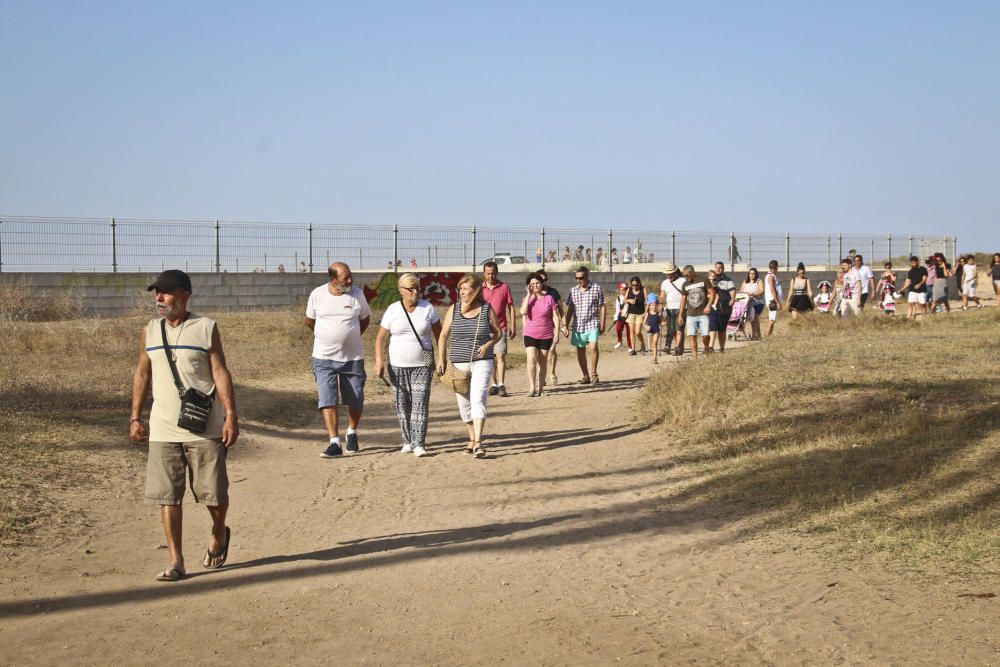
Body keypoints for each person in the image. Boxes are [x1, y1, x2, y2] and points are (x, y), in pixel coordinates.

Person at [130, 270, 239, 582]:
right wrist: (135, 416)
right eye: (156, 293)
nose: (159, 299)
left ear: (186, 295)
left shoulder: (205, 328)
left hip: (204, 427)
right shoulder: (150, 331)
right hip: (163, 428)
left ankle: (219, 532)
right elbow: (142, 374)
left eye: (165, 292)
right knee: (168, 495)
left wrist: (230, 414)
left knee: (214, 494)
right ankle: (176, 559)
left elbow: (220, 372)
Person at [305, 262, 371, 458]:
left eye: (350, 276)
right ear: (333, 280)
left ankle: (352, 432)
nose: (349, 281)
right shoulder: (317, 295)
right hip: (323, 358)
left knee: (356, 399)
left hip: (352, 358)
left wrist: (350, 337)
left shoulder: (357, 294)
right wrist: (327, 336)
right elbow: (310, 320)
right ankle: (334, 442)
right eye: (345, 278)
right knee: (328, 398)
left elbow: (365, 319)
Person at [374, 273, 442, 458]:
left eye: (418, 288)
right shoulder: (393, 310)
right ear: (401, 291)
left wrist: (442, 357)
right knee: (402, 404)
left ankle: (419, 443)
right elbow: (381, 337)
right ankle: (407, 441)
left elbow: (440, 334)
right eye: (411, 289)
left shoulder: (427, 308)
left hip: (424, 362)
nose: (415, 292)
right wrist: (379, 360)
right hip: (396, 364)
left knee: (420, 403)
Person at [437, 274, 502, 458]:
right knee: (464, 406)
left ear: (475, 290)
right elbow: (443, 336)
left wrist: (488, 344)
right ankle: (472, 438)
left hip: (482, 361)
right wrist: (441, 359)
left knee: (478, 399)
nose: (462, 292)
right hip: (458, 363)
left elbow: (498, 333)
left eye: (465, 288)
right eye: (460, 289)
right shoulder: (454, 309)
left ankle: (479, 442)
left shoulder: (486, 309)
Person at [561, 266, 606, 384]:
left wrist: (603, 323)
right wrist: (565, 325)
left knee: (593, 347)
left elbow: (602, 306)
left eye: (581, 278)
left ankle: (594, 374)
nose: (579, 280)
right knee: (580, 350)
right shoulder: (573, 291)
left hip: (593, 323)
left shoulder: (596, 288)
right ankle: (585, 375)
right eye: (576, 278)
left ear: (587, 276)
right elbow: (570, 309)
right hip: (578, 325)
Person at [519, 272, 561, 396]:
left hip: (546, 334)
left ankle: (540, 388)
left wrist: (557, 333)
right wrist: (528, 295)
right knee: (531, 360)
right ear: (528, 286)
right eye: (532, 284)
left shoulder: (549, 298)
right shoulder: (527, 299)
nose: (535, 285)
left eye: (537, 283)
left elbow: (555, 317)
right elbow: (523, 312)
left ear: (542, 284)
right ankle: (532, 388)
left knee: (542, 362)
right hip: (530, 333)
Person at [482, 261, 516, 397]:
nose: (491, 276)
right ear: (484, 274)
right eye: (488, 273)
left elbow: (511, 307)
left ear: (497, 272)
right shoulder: (480, 289)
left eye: (493, 273)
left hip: (500, 328)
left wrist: (513, 325)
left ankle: (501, 384)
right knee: (489, 358)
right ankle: (494, 385)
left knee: (500, 355)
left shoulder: (504, 287)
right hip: (484, 329)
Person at [678, 265, 714, 358]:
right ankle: (695, 356)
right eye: (684, 276)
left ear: (692, 273)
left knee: (705, 334)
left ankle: (706, 347)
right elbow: (683, 299)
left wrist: (709, 306)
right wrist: (681, 315)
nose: (685, 277)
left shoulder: (704, 280)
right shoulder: (685, 284)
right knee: (692, 335)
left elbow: (712, 293)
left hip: (703, 313)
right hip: (690, 314)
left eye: (687, 275)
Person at [536, 269, 564, 385]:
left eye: (544, 280)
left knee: (551, 350)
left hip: (552, 326)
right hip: (538, 327)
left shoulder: (553, 292)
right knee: (539, 353)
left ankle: (552, 372)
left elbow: (561, 309)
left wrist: (565, 325)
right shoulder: (533, 293)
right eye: (540, 280)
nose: (543, 282)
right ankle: (541, 375)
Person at [659, 263, 686, 355]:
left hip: (681, 308)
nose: (669, 275)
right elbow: (662, 295)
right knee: (672, 330)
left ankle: (678, 348)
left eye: (670, 273)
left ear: (675, 272)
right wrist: (661, 305)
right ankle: (679, 346)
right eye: (667, 273)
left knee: (679, 329)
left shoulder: (683, 281)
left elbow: (685, 295)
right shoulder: (664, 283)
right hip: (669, 309)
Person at [712, 261, 736, 352]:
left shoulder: (728, 280)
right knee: (712, 328)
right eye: (717, 267)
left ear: (723, 269)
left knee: (721, 330)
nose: (718, 269)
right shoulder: (710, 279)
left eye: (720, 267)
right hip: (712, 307)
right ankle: (710, 348)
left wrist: (732, 299)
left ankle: (721, 348)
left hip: (723, 307)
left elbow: (732, 290)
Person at [624, 276, 648, 355]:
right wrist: (629, 300)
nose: (634, 287)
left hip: (640, 314)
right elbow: (624, 300)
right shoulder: (629, 289)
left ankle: (643, 344)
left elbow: (647, 302)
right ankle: (633, 349)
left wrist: (646, 312)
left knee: (637, 332)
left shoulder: (643, 289)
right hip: (631, 313)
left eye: (636, 285)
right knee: (631, 332)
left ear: (639, 284)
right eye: (633, 285)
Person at [739, 268, 764, 340]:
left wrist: (754, 294)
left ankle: (754, 335)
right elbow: (741, 291)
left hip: (757, 303)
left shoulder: (759, 281)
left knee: (754, 319)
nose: (752, 275)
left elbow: (762, 291)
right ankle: (758, 335)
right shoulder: (745, 282)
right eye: (750, 273)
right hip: (747, 303)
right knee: (752, 320)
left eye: (753, 273)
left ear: (756, 274)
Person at [763, 260, 783, 335]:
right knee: (772, 320)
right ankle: (767, 336)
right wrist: (777, 302)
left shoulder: (771, 275)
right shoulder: (771, 277)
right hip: (772, 301)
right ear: (777, 267)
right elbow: (772, 290)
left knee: (773, 319)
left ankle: (769, 336)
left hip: (773, 300)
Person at [613, 282, 632, 351]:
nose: (622, 291)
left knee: (629, 332)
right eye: (621, 290)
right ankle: (619, 341)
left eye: (624, 290)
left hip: (629, 317)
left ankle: (630, 346)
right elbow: (617, 309)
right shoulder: (618, 298)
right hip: (621, 317)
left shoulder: (630, 298)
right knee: (618, 328)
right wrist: (615, 318)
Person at [644, 293, 661, 363]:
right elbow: (644, 322)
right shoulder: (647, 313)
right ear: (649, 306)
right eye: (652, 305)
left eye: (655, 305)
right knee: (651, 344)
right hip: (650, 330)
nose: (654, 306)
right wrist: (646, 326)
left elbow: (661, 321)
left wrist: (664, 323)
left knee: (655, 343)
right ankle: (654, 357)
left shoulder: (658, 314)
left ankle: (655, 358)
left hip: (656, 330)